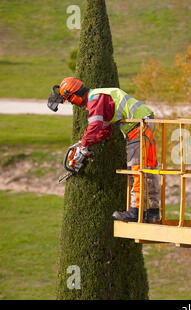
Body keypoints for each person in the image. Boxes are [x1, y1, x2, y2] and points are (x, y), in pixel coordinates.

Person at [47, 77, 159, 223]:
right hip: (144, 123)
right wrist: (85, 144)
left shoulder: (95, 99)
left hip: (138, 127)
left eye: (70, 99)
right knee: (148, 171)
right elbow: (103, 132)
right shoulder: (99, 98)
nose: (72, 103)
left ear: (74, 94)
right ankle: (153, 213)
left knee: (136, 171)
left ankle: (135, 212)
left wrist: (83, 146)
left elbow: (94, 127)